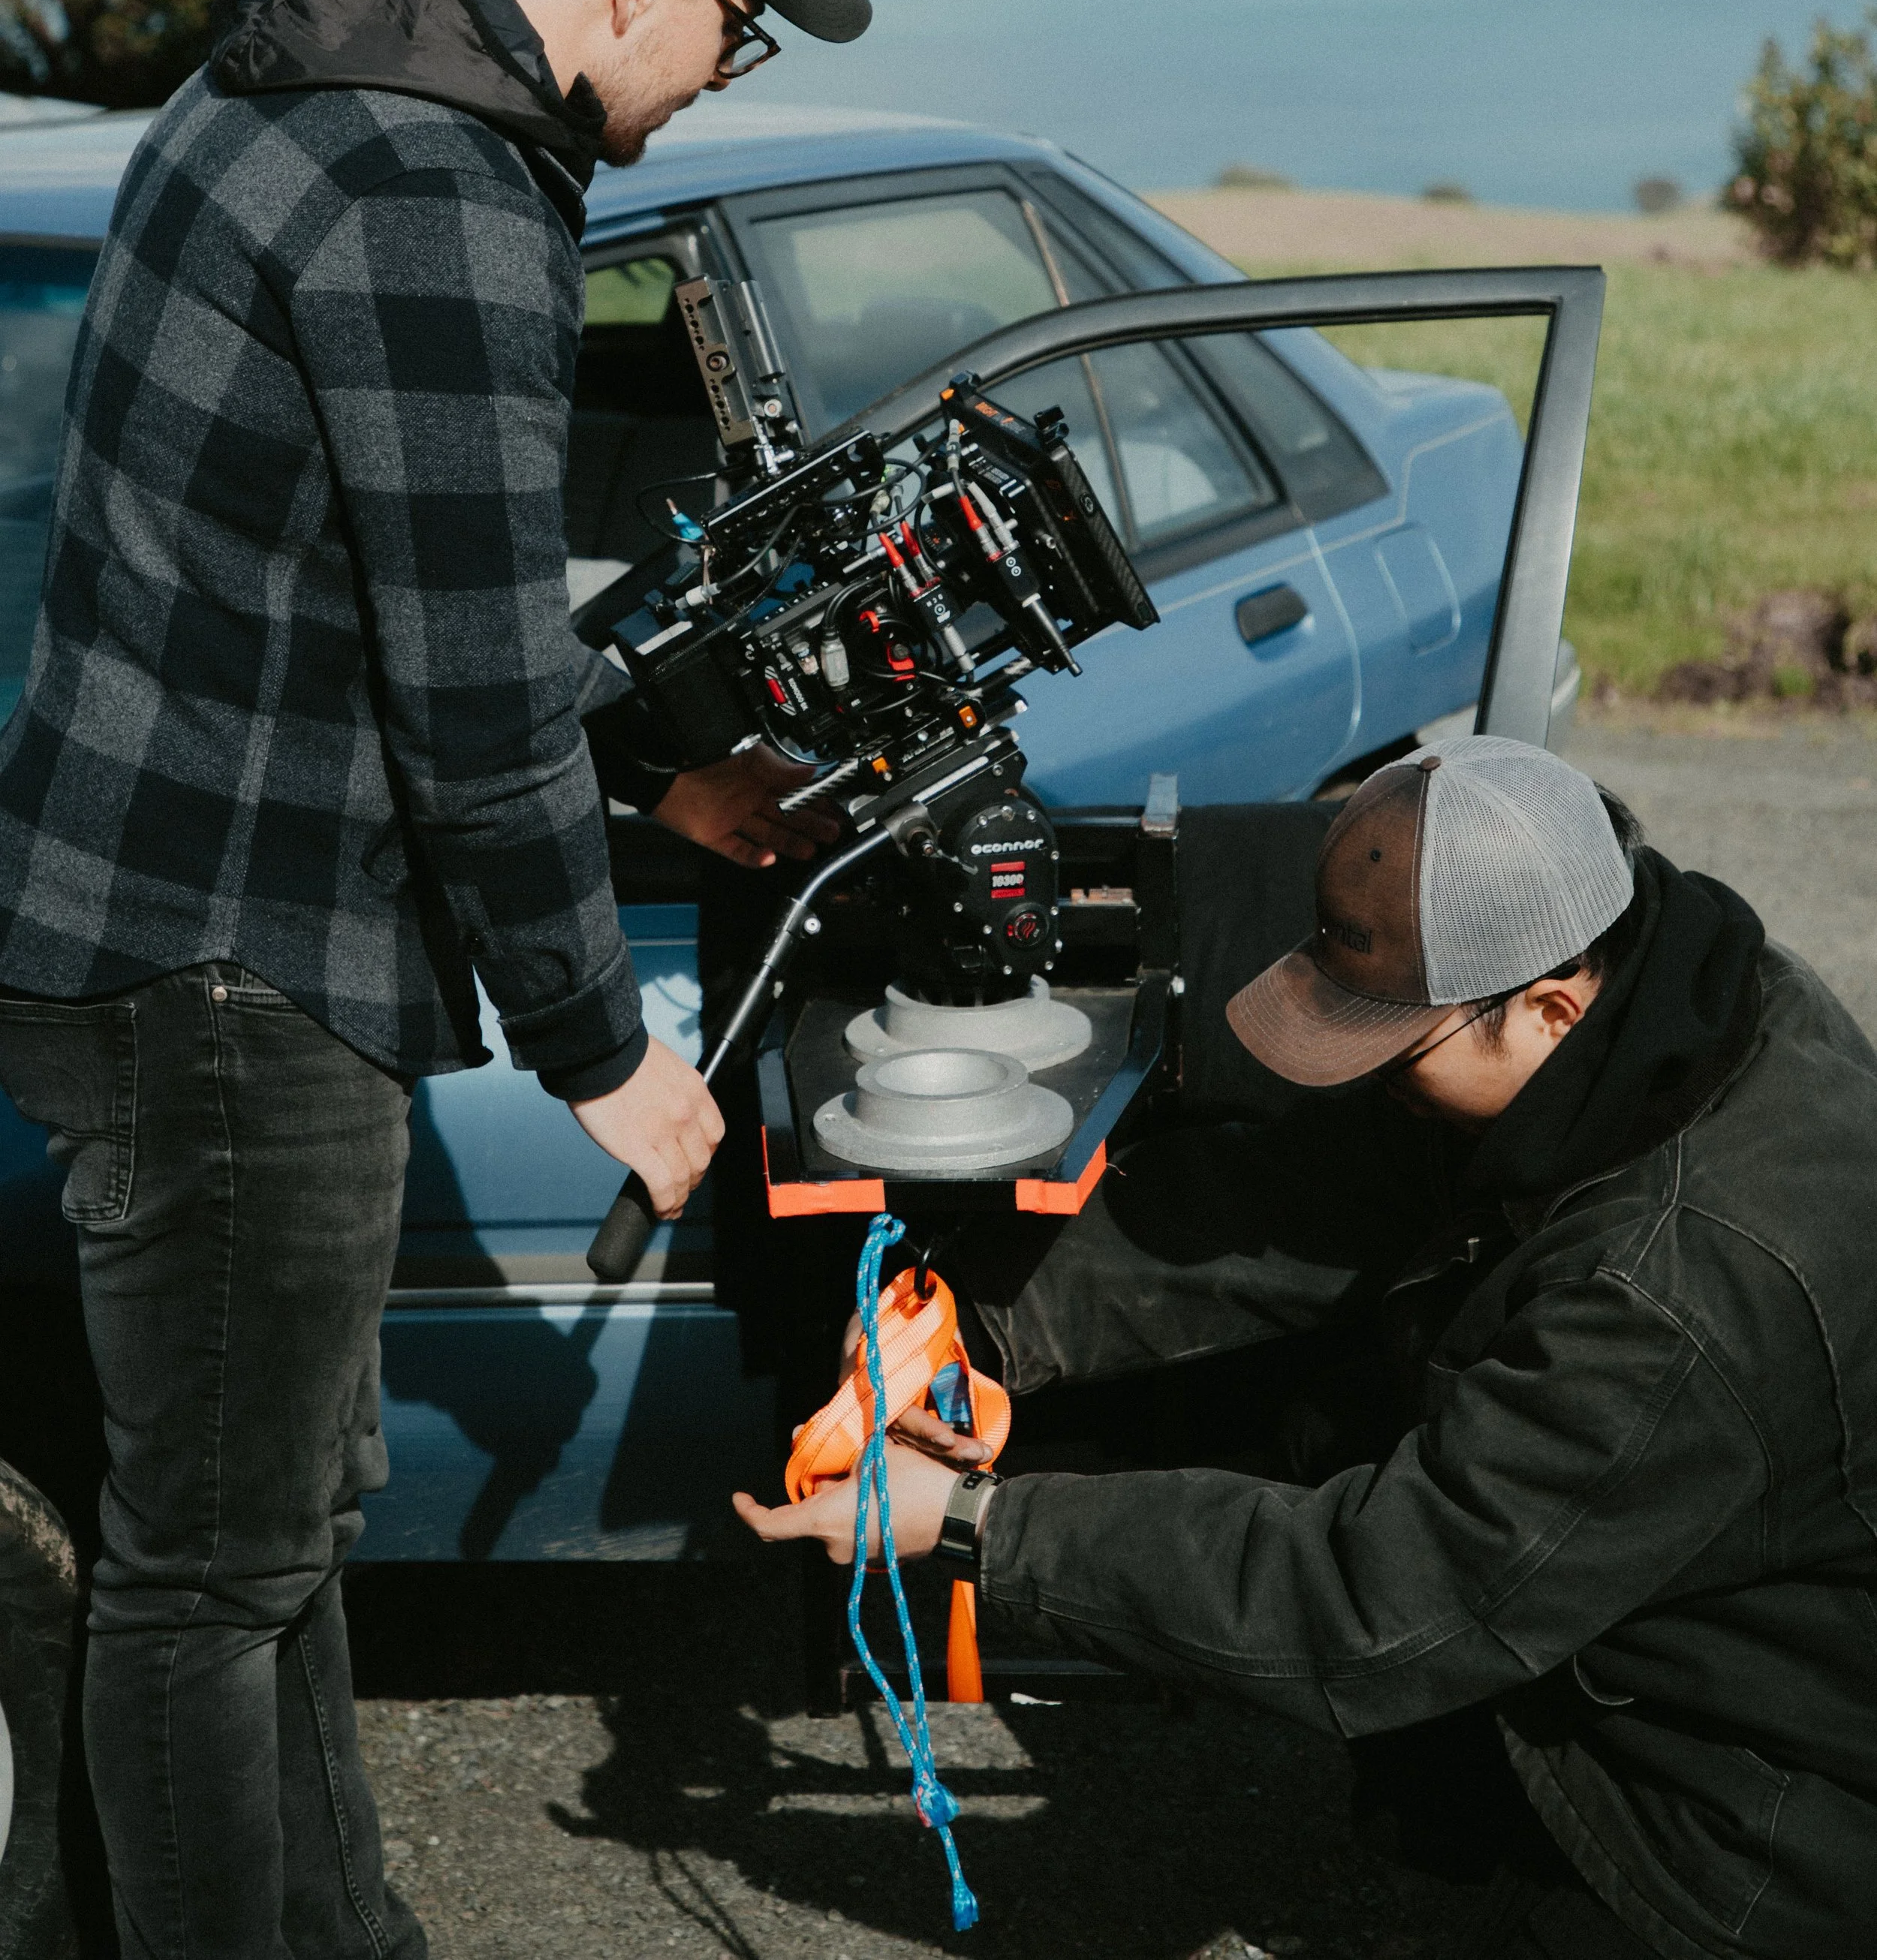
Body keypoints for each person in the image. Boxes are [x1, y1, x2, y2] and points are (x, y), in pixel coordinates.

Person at [0, 0, 865, 1960]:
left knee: (272, 1531)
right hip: (235, 955)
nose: (721, 75)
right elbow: (468, 689)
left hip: (153, 901)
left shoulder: (287, 69)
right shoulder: (439, 192)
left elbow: (374, 583)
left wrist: (649, 779)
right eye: (736, 28)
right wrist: (604, 1048)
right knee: (209, 1577)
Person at [740, 733, 1877, 1958]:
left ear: (1550, 1006)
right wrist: (976, 1315)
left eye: (1398, 1046)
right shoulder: (1666, 996)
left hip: (1756, 1830)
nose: (1371, 1076)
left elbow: (1379, 1594)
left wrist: (980, 1524)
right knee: (1313, 1402)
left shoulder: (1673, 1297)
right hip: (1685, 1580)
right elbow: (1321, 1188)